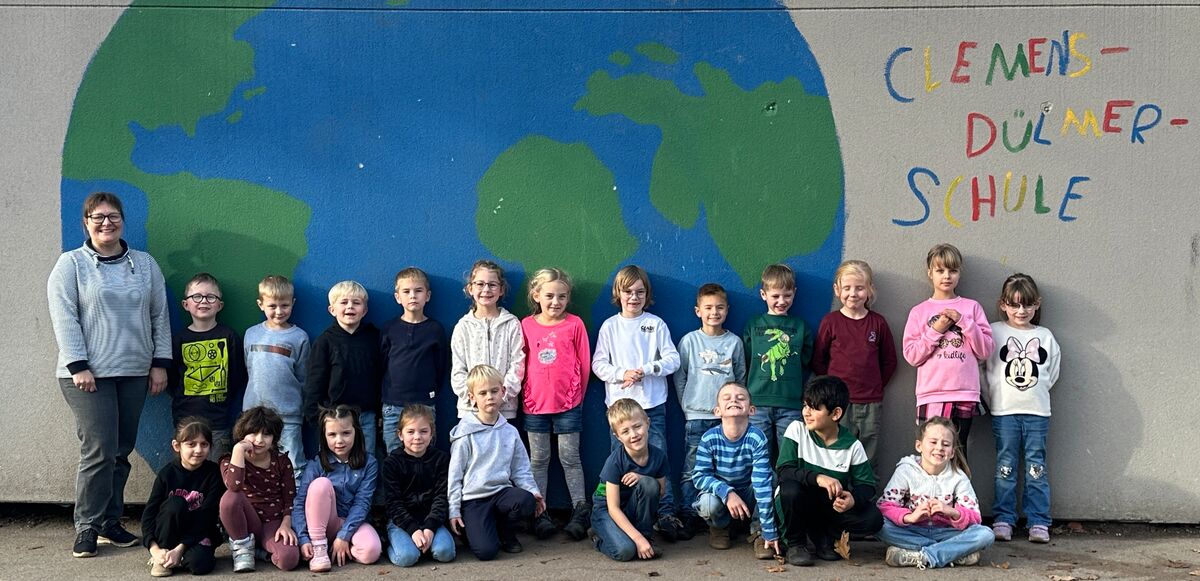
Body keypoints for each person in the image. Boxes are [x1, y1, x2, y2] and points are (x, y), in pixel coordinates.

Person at [49, 192, 171, 557]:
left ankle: (108, 522)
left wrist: (160, 362)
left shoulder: (144, 264)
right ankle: (86, 526)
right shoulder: (71, 265)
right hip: (87, 375)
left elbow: (159, 314)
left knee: (120, 450)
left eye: (113, 216)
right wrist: (78, 365)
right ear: (86, 223)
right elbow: (64, 316)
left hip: (134, 371)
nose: (106, 223)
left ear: (122, 220)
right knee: (99, 450)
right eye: (98, 217)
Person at [592, 265, 685, 540]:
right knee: (620, 461)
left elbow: (673, 359)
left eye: (640, 292)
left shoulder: (655, 324)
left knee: (659, 457)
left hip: (651, 405)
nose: (634, 297)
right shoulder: (610, 326)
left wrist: (648, 369)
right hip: (620, 409)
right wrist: (622, 374)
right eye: (628, 292)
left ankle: (666, 514)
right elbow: (598, 364)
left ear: (647, 295)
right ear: (618, 294)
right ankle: (620, 514)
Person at [983, 273, 1060, 544]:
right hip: (1004, 412)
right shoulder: (994, 331)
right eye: (1014, 304)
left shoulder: (1045, 337)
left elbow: (1051, 373)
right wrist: (991, 397)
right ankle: (1004, 518)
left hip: (1037, 413)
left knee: (1036, 466)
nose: (1021, 310)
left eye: (1027, 304)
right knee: (1005, 466)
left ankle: (1038, 520)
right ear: (1003, 304)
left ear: (1037, 304)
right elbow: (983, 367)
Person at [776, 375, 882, 567]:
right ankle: (795, 544)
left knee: (873, 518)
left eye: (814, 408)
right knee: (790, 490)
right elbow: (784, 471)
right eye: (805, 406)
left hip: (829, 506)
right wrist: (818, 477)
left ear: (835, 414)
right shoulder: (797, 430)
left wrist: (853, 499)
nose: (806, 413)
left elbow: (866, 486)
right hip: (800, 501)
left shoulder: (852, 445)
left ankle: (824, 536)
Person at [521, 267, 592, 540]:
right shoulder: (526, 325)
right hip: (534, 406)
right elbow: (522, 362)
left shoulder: (574, 324)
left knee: (570, 458)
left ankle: (580, 510)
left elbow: (584, 364)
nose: (555, 302)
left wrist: (576, 397)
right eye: (549, 296)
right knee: (538, 460)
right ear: (536, 295)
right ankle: (539, 513)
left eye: (562, 296)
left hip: (569, 405)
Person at [902, 243, 994, 451]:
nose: (946, 276)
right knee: (933, 452)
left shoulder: (971, 307)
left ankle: (960, 476)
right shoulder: (919, 312)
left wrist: (964, 322)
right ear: (930, 273)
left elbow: (985, 350)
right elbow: (912, 356)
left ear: (959, 273)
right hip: (931, 394)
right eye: (940, 270)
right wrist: (936, 329)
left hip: (964, 393)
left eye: (952, 270)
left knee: (959, 451)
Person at [447, 365, 545, 561]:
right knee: (486, 552)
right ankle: (475, 531)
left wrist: (533, 492)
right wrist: (454, 510)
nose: (489, 397)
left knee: (526, 501)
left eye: (494, 391)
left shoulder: (510, 432)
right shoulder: (465, 434)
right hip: (474, 499)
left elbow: (521, 470)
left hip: (501, 493)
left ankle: (505, 532)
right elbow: (455, 476)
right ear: (472, 397)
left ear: (503, 391)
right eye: (482, 393)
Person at [811, 259, 897, 472]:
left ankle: (864, 491)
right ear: (837, 290)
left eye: (859, 288)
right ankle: (835, 491)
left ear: (869, 290)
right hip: (838, 404)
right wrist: (831, 390)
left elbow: (889, 362)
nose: (853, 293)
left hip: (871, 403)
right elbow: (818, 360)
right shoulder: (831, 322)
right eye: (847, 288)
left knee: (868, 455)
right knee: (836, 452)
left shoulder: (878, 323)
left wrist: (875, 386)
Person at [675, 283, 746, 537]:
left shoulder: (734, 342)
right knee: (692, 467)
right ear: (698, 311)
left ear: (727, 310)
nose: (714, 312)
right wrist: (687, 406)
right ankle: (689, 514)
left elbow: (740, 377)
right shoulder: (689, 341)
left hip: (726, 419)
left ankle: (723, 516)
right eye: (708, 308)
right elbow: (680, 377)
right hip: (697, 416)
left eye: (719, 307)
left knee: (723, 467)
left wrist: (734, 411)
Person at [876, 417, 995, 568]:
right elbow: (885, 506)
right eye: (933, 442)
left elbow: (975, 517)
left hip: (947, 532)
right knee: (878, 524)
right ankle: (952, 553)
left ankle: (923, 556)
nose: (939, 448)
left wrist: (952, 512)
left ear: (952, 452)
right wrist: (910, 517)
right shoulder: (905, 470)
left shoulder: (958, 477)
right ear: (919, 446)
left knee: (985, 534)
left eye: (946, 444)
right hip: (912, 530)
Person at [691, 383, 778, 559]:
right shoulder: (709, 438)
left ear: (751, 410)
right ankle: (720, 527)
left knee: (771, 478)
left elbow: (761, 482)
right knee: (707, 503)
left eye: (740, 398)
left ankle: (759, 531)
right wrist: (727, 493)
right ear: (717, 411)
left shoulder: (757, 437)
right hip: (721, 496)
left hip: (748, 492)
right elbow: (699, 476)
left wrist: (770, 529)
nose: (734, 400)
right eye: (727, 398)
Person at [293, 405, 382, 572]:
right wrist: (303, 538)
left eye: (346, 433)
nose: (339, 440)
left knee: (371, 552)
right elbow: (300, 502)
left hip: (352, 522)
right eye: (332, 434)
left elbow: (362, 503)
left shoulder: (369, 463)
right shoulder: (316, 464)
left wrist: (344, 536)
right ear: (324, 436)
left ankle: (338, 550)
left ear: (356, 432)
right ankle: (319, 548)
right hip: (322, 525)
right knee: (321, 484)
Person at [170, 272, 245, 460]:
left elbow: (237, 375)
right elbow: (172, 378)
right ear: (185, 304)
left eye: (211, 297)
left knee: (215, 470)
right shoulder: (178, 340)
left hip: (218, 421)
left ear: (220, 305)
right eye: (197, 296)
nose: (204, 301)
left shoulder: (229, 336)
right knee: (188, 469)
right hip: (185, 421)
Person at [304, 281, 383, 458]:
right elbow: (314, 382)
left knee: (366, 460)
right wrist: (316, 418)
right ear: (332, 309)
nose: (350, 307)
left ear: (365, 310)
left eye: (356, 302)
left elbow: (382, 377)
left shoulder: (374, 338)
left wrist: (380, 413)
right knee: (333, 463)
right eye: (344, 302)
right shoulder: (325, 342)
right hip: (334, 417)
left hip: (366, 416)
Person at [743, 263, 813, 459]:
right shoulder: (753, 325)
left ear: (794, 293)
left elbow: (805, 360)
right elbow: (747, 358)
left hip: (791, 404)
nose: (781, 301)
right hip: (757, 403)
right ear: (763, 294)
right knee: (758, 456)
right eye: (775, 296)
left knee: (790, 457)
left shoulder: (801, 327)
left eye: (787, 295)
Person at [243, 275, 310, 478]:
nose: (279, 311)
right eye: (272, 306)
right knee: (253, 462)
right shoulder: (251, 334)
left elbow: (304, 377)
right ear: (260, 304)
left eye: (284, 305)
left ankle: (296, 499)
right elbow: (249, 367)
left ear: (293, 303)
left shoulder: (299, 337)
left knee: (293, 464)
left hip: (288, 415)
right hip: (254, 415)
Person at [218, 406, 300, 572]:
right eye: (253, 433)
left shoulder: (282, 461)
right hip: (246, 523)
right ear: (242, 434)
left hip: (273, 522)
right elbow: (234, 486)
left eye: (266, 434)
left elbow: (290, 498)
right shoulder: (229, 460)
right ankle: (243, 549)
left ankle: (259, 553)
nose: (259, 440)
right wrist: (238, 450)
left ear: (274, 438)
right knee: (230, 498)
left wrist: (286, 524)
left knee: (289, 559)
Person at [141, 417, 225, 577]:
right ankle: (163, 558)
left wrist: (181, 548)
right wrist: (154, 549)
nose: (198, 450)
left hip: (199, 532)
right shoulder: (167, 474)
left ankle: (178, 556)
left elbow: (207, 516)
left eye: (204, 444)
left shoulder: (214, 474)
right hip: (168, 534)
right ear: (177, 446)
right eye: (191, 444)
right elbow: (149, 515)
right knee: (175, 504)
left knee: (199, 564)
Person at [380, 267, 448, 454]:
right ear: (397, 297)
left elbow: (440, 366)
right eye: (406, 291)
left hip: (424, 404)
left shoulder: (435, 329)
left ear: (427, 296)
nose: (412, 296)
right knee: (394, 455)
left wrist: (430, 392)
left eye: (418, 291)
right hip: (393, 405)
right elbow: (381, 365)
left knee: (424, 454)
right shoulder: (389, 329)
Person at [590, 398, 667, 561]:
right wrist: (637, 539)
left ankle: (646, 538)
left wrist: (642, 478)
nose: (633, 435)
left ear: (648, 423)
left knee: (649, 484)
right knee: (625, 551)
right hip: (607, 510)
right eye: (625, 431)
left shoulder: (659, 456)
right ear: (617, 436)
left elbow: (660, 491)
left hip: (631, 508)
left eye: (637, 426)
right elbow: (613, 508)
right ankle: (598, 537)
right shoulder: (615, 461)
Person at [450, 260, 525, 422]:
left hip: (504, 410)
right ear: (470, 289)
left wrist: (501, 396)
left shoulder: (512, 324)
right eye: (480, 284)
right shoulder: (463, 326)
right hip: (471, 410)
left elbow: (518, 365)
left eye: (492, 285)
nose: (486, 290)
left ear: (501, 289)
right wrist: (475, 398)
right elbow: (458, 370)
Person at [381, 404, 455, 567]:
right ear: (400, 435)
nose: (417, 437)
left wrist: (430, 527)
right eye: (410, 432)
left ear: (431, 434)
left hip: (431, 519)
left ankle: (426, 543)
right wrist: (413, 529)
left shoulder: (441, 459)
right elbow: (393, 503)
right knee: (407, 558)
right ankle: (390, 543)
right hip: (402, 522)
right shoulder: (392, 463)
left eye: (423, 431)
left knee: (445, 553)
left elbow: (441, 497)